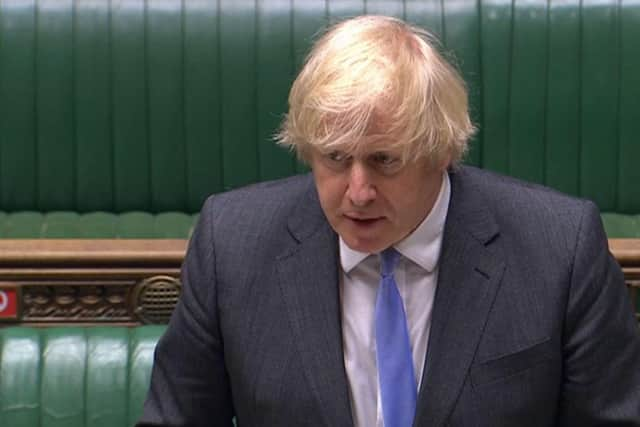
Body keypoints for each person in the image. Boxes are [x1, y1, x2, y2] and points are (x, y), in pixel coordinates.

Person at [137, 15, 640, 427]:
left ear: (442, 150)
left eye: (384, 161)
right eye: (334, 158)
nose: (357, 192)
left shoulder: (560, 250)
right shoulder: (233, 244)